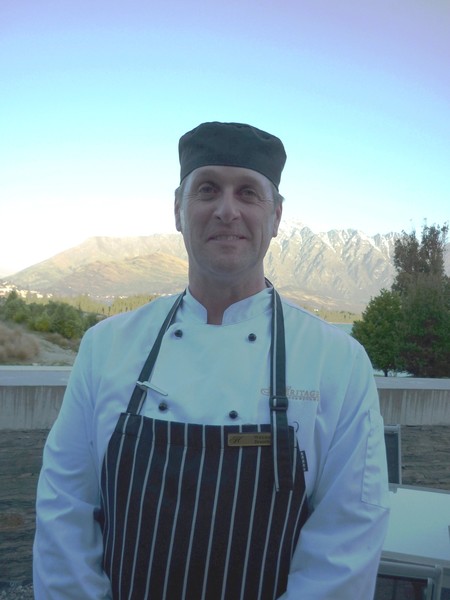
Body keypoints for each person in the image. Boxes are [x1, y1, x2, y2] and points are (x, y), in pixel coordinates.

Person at [33, 121, 390, 599]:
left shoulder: (339, 362)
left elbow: (346, 541)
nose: (227, 210)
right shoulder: (105, 348)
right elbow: (64, 512)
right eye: (207, 190)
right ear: (178, 210)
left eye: (248, 193)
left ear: (277, 215)